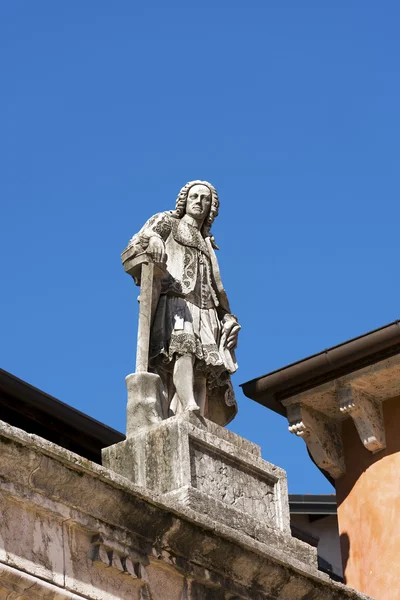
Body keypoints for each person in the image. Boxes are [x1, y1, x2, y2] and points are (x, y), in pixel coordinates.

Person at [127, 180, 240, 426]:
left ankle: (196, 411)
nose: (199, 201)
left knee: (203, 364)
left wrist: (228, 317)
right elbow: (137, 241)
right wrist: (153, 240)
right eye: (195, 197)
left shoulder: (208, 243)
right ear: (185, 201)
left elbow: (215, 286)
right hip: (177, 299)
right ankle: (187, 404)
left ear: (212, 208)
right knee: (184, 350)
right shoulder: (167, 222)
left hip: (206, 307)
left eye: (205, 199)